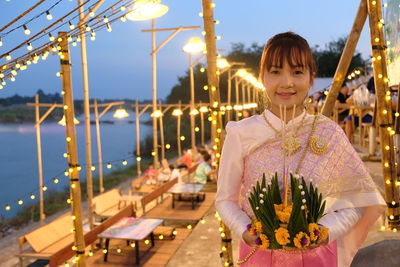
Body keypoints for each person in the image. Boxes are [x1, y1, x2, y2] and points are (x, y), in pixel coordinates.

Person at [216, 32, 385, 267]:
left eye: (297, 72)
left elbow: (356, 203)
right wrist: (244, 229)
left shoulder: (329, 133)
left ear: (311, 77)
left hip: (319, 256)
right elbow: (225, 200)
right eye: (276, 72)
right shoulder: (241, 133)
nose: (287, 82)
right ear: (263, 77)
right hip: (259, 255)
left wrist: (326, 231)